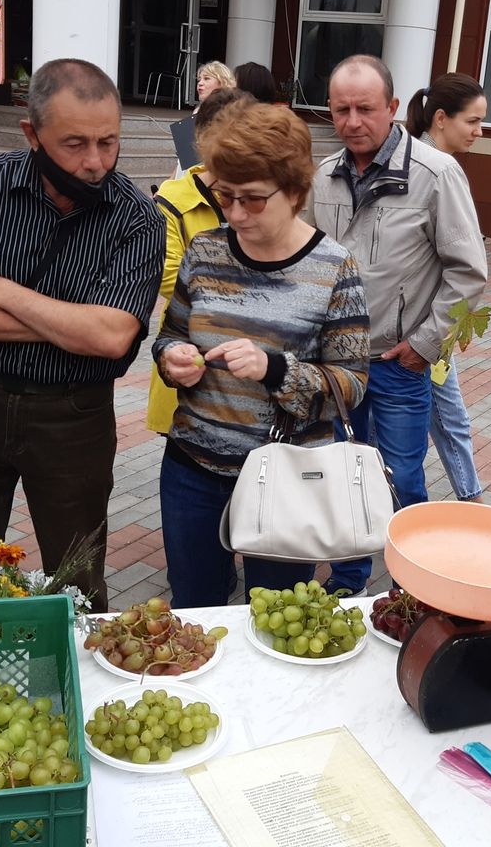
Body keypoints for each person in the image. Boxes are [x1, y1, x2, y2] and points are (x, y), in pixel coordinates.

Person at [0, 59, 164, 612]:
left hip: (73, 416)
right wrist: (69, 324)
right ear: (32, 134)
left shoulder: (137, 218)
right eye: (75, 143)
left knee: (76, 577)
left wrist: (1, 292)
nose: (96, 162)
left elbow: (111, 337)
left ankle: (81, 681)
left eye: (108, 141)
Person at [153, 103, 370, 608]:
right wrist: (174, 360)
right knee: (195, 609)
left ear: (295, 191)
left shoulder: (335, 268)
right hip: (192, 467)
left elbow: (352, 385)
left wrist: (276, 369)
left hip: (287, 476)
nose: (234, 213)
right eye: (224, 196)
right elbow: (169, 335)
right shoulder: (205, 251)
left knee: (275, 616)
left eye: (252, 200)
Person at [309, 54, 489, 595]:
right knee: (345, 477)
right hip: (339, 367)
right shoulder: (324, 177)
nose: (353, 121)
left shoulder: (436, 174)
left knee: (402, 479)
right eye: (341, 110)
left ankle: (415, 585)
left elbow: (469, 271)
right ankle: (349, 580)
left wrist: (424, 343)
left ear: (391, 107)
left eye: (365, 108)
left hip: (398, 364)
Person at [146, 88, 254, 435]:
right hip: (189, 351)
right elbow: (169, 279)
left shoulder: (265, 194)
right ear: (202, 139)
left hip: (250, 362)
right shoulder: (172, 201)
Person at [405, 73, 488, 503]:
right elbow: (466, 264)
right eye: (472, 121)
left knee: (416, 423)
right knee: (447, 417)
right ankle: (471, 504)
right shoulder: (440, 169)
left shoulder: (407, 158)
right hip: (422, 328)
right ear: (441, 118)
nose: (479, 132)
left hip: (419, 323)